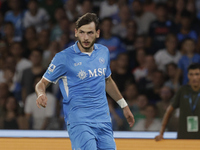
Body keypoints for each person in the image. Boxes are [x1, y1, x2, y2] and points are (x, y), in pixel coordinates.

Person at [35, 13, 134, 150]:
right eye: (81, 32)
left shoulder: (103, 52)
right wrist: (41, 94)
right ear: (76, 33)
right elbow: (42, 83)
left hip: (103, 120)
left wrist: (124, 106)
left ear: (97, 33)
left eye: (90, 33)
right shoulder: (63, 58)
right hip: (79, 121)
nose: (85, 37)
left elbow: (108, 81)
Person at [155, 63, 200, 140]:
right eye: (191, 74)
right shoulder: (183, 90)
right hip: (183, 138)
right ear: (188, 76)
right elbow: (169, 112)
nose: (194, 77)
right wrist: (161, 133)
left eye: (197, 74)